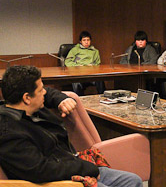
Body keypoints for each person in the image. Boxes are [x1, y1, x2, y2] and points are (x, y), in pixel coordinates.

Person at [0, 65, 143, 187]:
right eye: (41, 90)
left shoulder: (28, 106)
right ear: (27, 98)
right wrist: (86, 169)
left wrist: (62, 99)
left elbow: (50, 93)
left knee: (133, 181)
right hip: (63, 180)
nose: (45, 92)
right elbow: (41, 170)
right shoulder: (10, 134)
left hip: (71, 163)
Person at [65, 31, 105, 96]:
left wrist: (92, 66)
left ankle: (103, 97)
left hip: (91, 75)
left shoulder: (95, 51)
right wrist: (78, 66)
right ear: (80, 41)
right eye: (84, 40)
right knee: (76, 82)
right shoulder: (75, 50)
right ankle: (80, 100)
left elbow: (98, 64)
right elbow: (67, 62)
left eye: (88, 40)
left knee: (100, 79)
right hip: (78, 74)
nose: (86, 42)